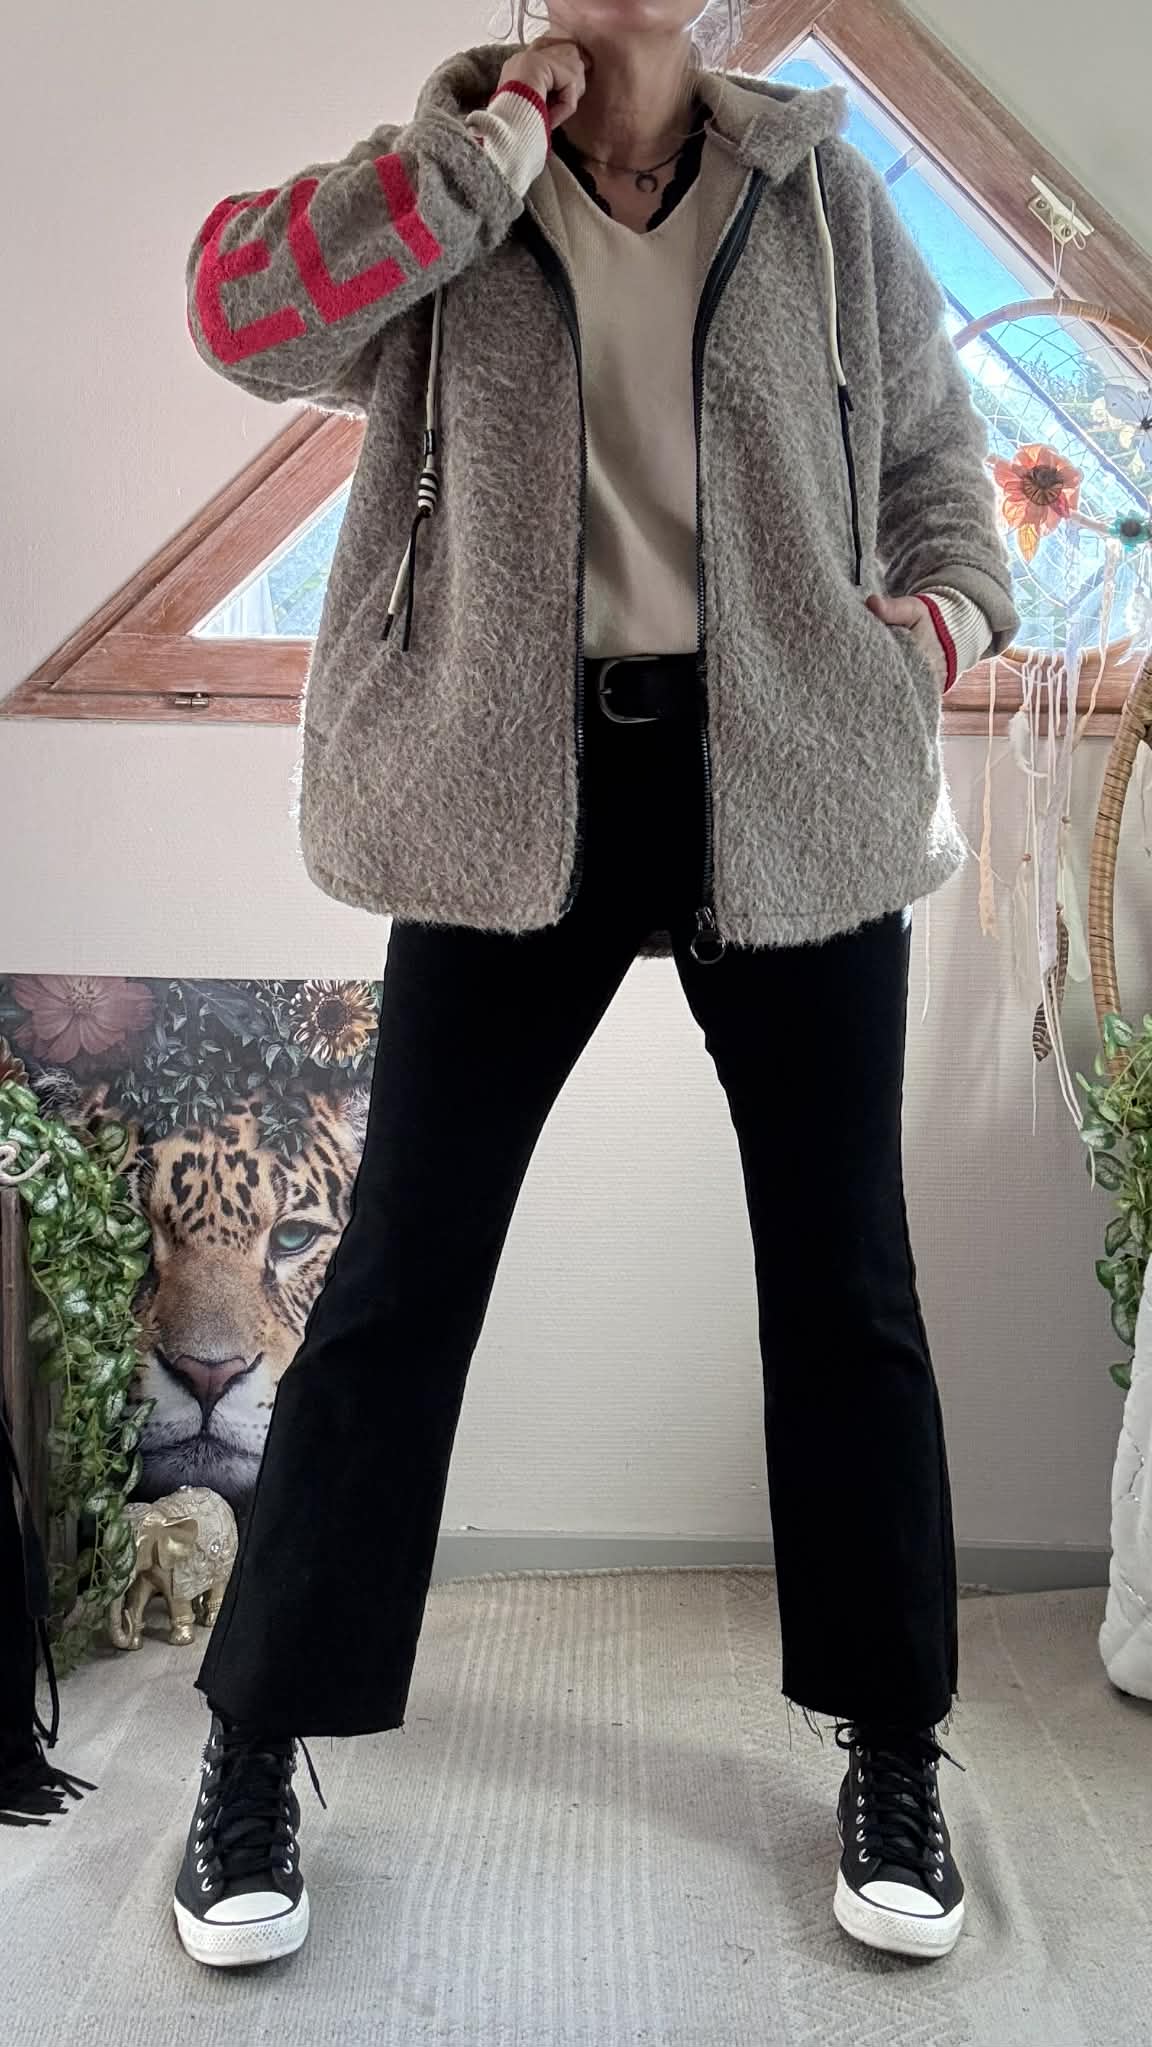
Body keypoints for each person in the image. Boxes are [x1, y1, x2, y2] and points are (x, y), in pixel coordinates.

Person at [174, 0, 1017, 1970]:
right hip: (506, 788)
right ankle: (255, 1742)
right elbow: (242, 322)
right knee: (398, 1281)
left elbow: (939, 478)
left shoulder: (824, 201)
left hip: (791, 779)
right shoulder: (452, 188)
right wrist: (476, 161)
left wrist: (937, 629)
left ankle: (894, 1744)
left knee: (848, 1284)